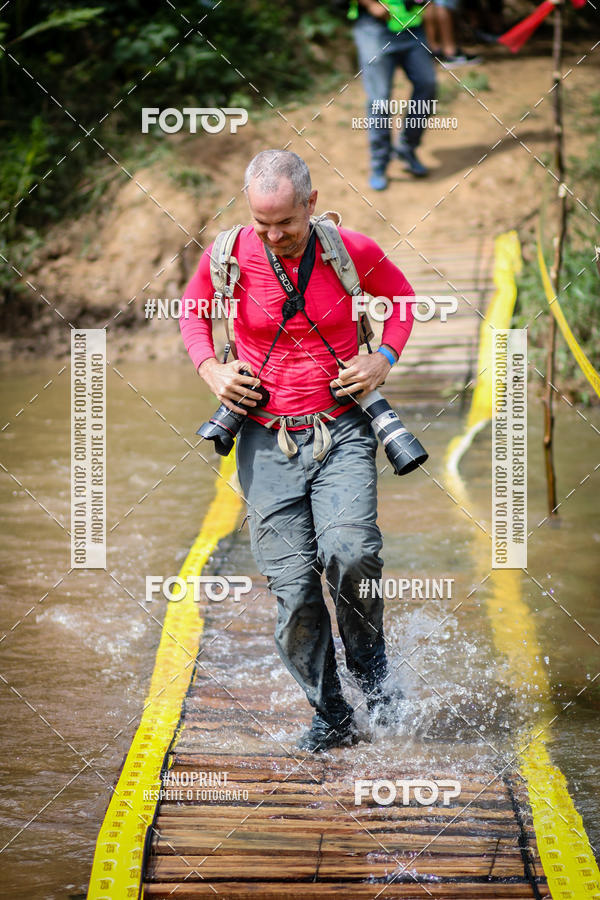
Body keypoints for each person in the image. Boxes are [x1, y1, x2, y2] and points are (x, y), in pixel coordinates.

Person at [180, 150, 415, 752]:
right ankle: (330, 711)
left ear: (311, 204)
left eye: (285, 222)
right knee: (293, 593)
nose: (274, 235)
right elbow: (191, 311)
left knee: (352, 552)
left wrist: (381, 359)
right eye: (262, 223)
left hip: (341, 427)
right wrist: (211, 371)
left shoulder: (349, 250)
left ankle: (372, 673)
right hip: (264, 436)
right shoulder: (229, 254)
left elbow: (403, 300)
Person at [349, 0, 437, 187]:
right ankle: (379, 163)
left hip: (413, 26)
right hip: (374, 28)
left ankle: (407, 148)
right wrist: (371, 4)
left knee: (427, 85)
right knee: (379, 100)